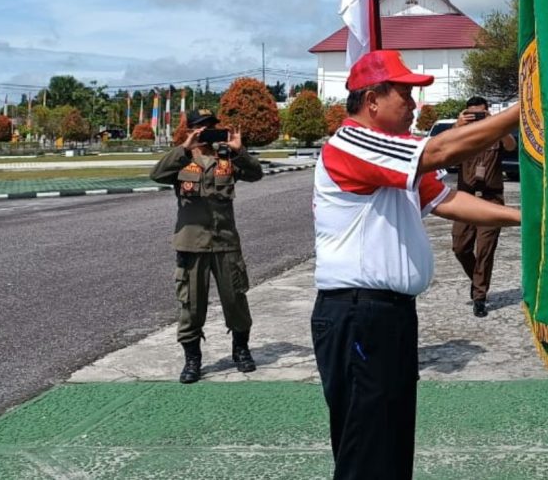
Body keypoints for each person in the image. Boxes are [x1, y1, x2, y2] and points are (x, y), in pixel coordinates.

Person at [311, 50, 521, 479]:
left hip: (386, 313)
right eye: (404, 93)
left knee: (389, 441)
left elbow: (448, 201)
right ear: (372, 100)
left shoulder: (391, 155)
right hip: (358, 311)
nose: (413, 103)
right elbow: (443, 150)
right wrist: (524, 111)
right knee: (366, 448)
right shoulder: (352, 142)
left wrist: (530, 219)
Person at [149, 108, 264, 384]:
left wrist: (239, 150)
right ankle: (192, 359)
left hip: (225, 243)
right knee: (191, 305)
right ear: (191, 131)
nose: (207, 133)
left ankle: (241, 350)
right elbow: (156, 174)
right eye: (201, 128)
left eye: (212, 127)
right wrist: (184, 148)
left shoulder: (227, 159)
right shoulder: (181, 161)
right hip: (192, 245)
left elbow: (256, 174)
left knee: (235, 299)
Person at [450, 96, 516, 318]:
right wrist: (457, 126)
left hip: (490, 199)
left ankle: (479, 297)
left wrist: (495, 123)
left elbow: (511, 145)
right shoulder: (462, 136)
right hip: (465, 199)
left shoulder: (495, 134)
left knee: (485, 249)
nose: (476, 118)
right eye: (472, 114)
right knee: (460, 247)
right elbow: (442, 148)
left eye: (481, 113)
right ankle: (477, 281)